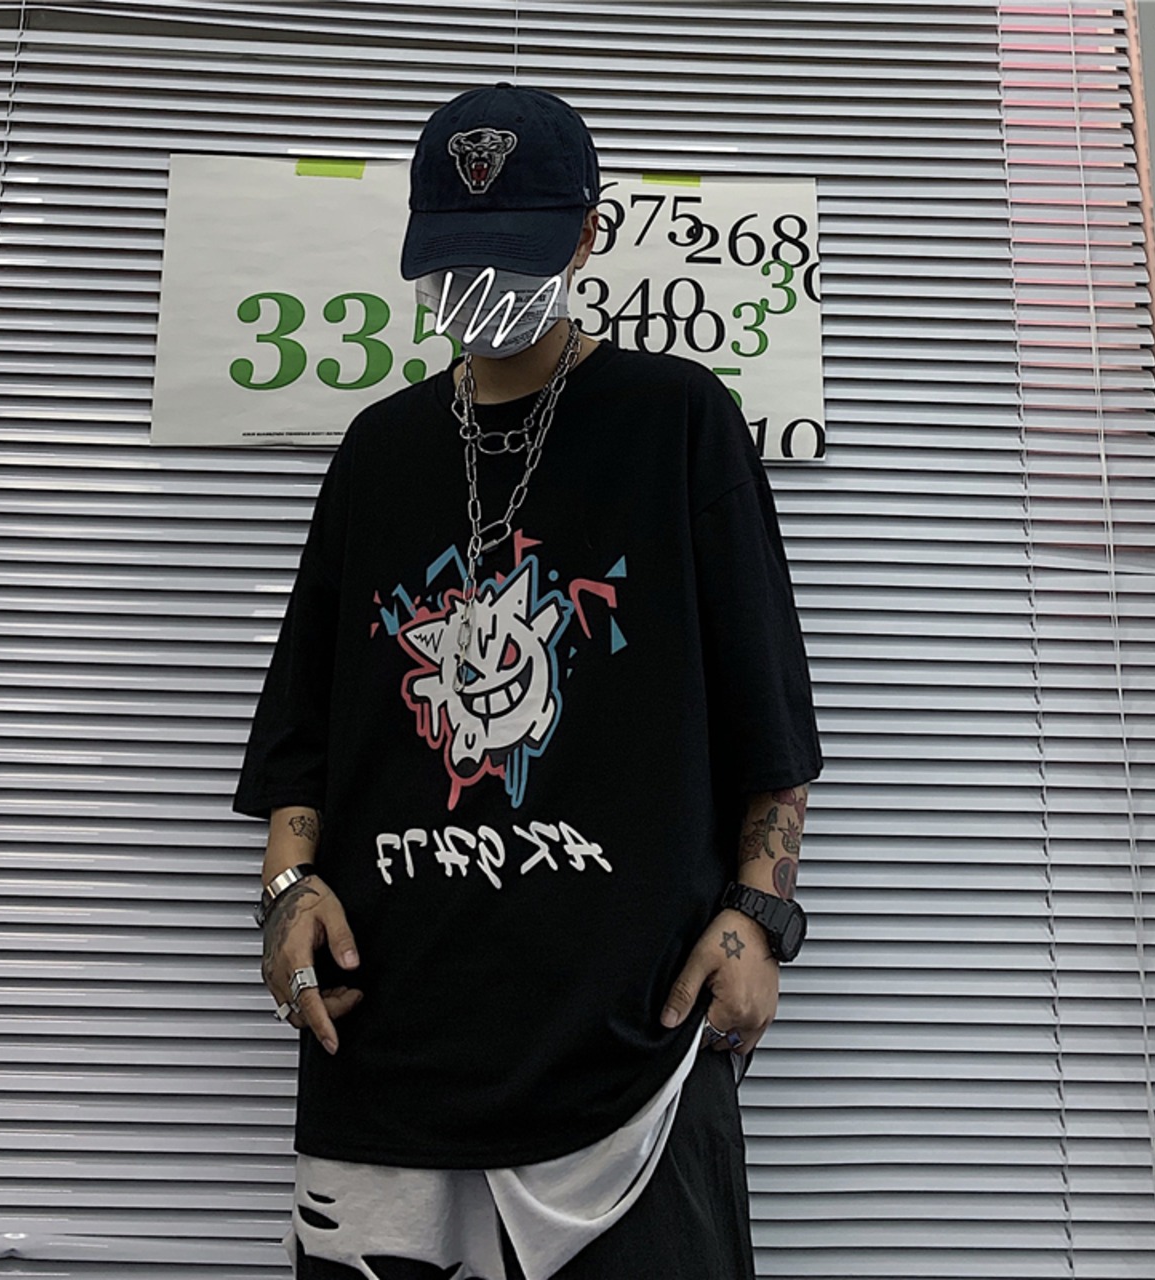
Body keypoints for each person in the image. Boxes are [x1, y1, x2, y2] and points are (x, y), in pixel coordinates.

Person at [232, 82, 823, 1280]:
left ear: (586, 235)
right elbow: (301, 730)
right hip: (384, 1054)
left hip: (629, 1056)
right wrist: (288, 891)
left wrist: (757, 915)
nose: (482, 285)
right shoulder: (379, 451)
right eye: (457, 255)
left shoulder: (677, 422)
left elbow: (766, 709)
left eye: (515, 251)